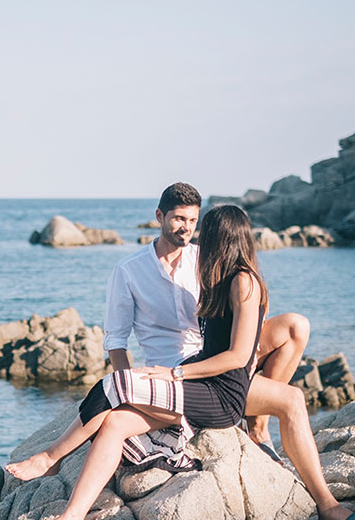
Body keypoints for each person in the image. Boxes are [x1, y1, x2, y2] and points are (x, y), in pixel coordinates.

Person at [6, 202, 355, 520]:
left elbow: (234, 354)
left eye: (201, 230)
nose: (193, 235)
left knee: (117, 383)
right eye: (187, 224)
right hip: (202, 378)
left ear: (219, 238)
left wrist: (177, 375)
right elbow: (217, 344)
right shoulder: (212, 274)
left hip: (215, 389)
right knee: (116, 423)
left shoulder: (241, 281)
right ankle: (73, 516)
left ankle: (50, 458)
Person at [102, 183, 306, 463]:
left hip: (216, 356)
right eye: (179, 219)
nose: (186, 227)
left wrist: (245, 343)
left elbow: (248, 300)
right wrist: (129, 395)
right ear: (159, 216)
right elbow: (116, 340)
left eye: (193, 221)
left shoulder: (207, 258)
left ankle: (257, 425)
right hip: (172, 366)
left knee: (295, 326)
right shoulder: (128, 270)